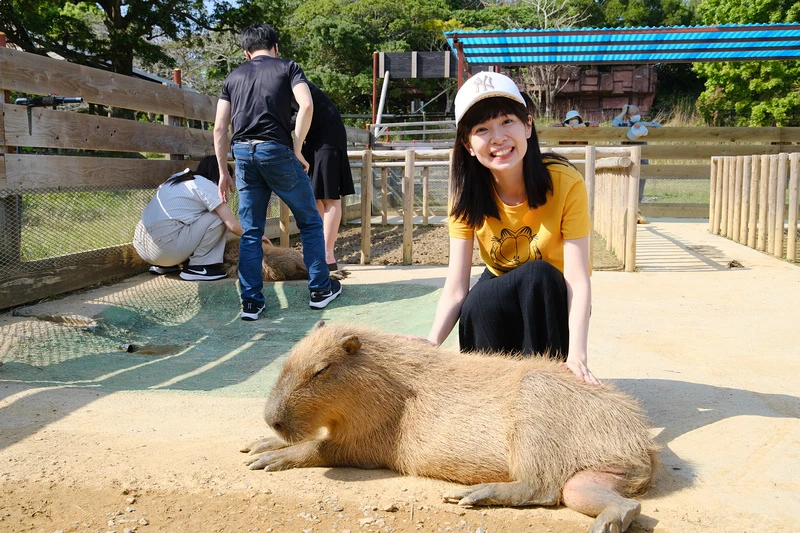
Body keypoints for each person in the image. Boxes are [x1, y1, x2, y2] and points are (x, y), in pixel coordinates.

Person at [426, 72, 599, 385]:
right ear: (467, 144)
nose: (498, 138)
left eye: (507, 121)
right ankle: (491, 392)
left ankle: (549, 388)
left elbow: (577, 277)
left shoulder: (565, 183)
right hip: (500, 287)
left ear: (528, 125)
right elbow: (456, 287)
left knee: (538, 275)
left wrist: (578, 355)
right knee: (477, 302)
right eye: (482, 129)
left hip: (552, 295)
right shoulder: (466, 196)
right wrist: (430, 345)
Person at [213, 23, 343, 321]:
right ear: (275, 47)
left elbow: (220, 127)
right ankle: (321, 290)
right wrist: (297, 148)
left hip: (243, 154)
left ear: (247, 53)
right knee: (310, 221)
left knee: (251, 232)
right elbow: (307, 105)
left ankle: (251, 302)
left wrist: (223, 171)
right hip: (276, 151)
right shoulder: (289, 68)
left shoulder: (233, 77)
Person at [133, 155, 242, 281]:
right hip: (165, 249)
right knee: (219, 217)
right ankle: (199, 267)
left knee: (186, 218)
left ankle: (165, 265)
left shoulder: (178, 179)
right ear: (221, 174)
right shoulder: (206, 185)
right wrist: (256, 236)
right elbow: (233, 225)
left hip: (142, 247)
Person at [292, 81, 356, 271]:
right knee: (316, 197)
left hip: (328, 139)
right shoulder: (280, 83)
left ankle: (327, 254)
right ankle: (315, 249)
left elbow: (304, 110)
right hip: (310, 140)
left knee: (330, 198)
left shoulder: (291, 80)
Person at [612, 104, 660, 224]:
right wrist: (623, 112)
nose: (636, 115)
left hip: (642, 161)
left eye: (637, 112)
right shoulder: (624, 125)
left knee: (639, 187)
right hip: (627, 161)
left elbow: (658, 125)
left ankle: (636, 212)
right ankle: (625, 213)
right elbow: (614, 124)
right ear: (628, 116)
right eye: (633, 114)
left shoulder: (644, 125)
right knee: (625, 187)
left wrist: (644, 125)